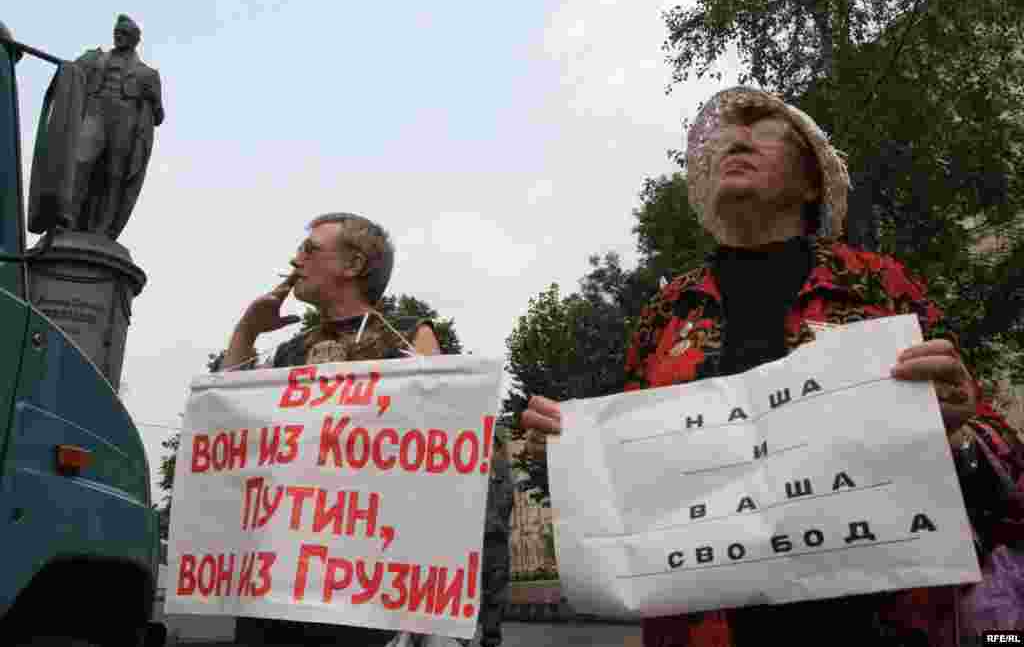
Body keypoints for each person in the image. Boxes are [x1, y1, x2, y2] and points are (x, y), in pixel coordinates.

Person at [520, 86, 1024, 646]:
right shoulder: (664, 316)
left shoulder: (881, 285)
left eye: (763, 127)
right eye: (725, 134)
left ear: (810, 181)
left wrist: (956, 437)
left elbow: (1005, 474)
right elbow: (634, 491)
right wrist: (573, 456)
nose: (736, 137)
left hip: (879, 626)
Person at [222, 212, 511, 646]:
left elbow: (444, 458)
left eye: (310, 249)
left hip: (367, 594)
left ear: (352, 266)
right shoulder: (289, 353)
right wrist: (246, 330)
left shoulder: (408, 340)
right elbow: (229, 427)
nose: (296, 259)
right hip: (284, 585)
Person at [72, 14, 164, 240]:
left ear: (135, 39)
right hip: (96, 113)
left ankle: (103, 229)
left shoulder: (147, 74)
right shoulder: (95, 59)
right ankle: (69, 219)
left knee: (115, 176)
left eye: (124, 34)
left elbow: (159, 116)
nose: (118, 37)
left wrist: (152, 102)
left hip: (125, 122)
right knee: (81, 163)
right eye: (117, 33)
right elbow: (72, 76)